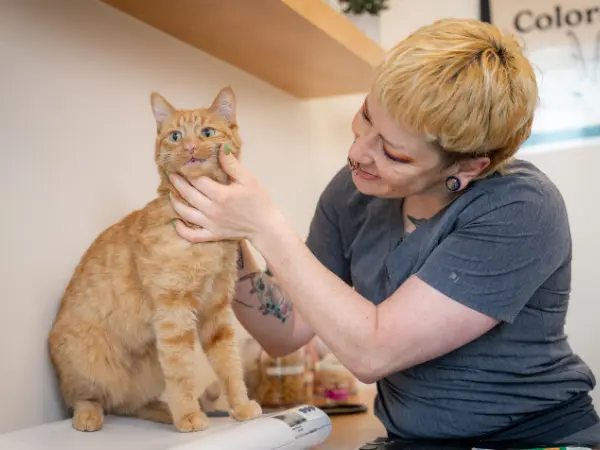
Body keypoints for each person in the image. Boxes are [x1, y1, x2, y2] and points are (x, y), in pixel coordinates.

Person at [167, 18, 599, 449]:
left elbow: (373, 352)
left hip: (533, 438)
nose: (358, 152)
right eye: (365, 117)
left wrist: (266, 225)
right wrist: (230, 234)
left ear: (467, 168)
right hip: (410, 440)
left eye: (392, 152)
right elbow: (286, 331)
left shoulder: (520, 207)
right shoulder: (354, 190)